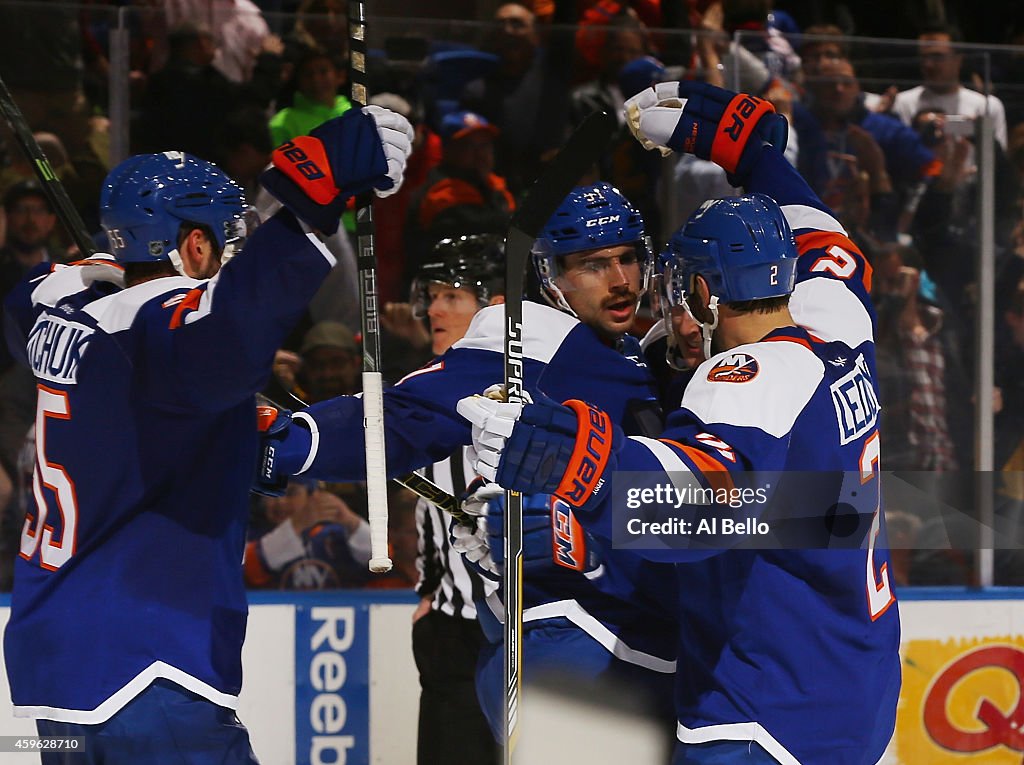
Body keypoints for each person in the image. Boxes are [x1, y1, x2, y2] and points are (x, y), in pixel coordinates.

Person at [459, 80, 901, 764]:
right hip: (856, 687)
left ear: (702, 290)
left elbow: (703, 510)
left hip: (765, 713)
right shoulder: (837, 325)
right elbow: (825, 238)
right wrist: (757, 156)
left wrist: (573, 470)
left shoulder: (746, 377)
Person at [3, 105, 412, 763]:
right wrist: (313, 197)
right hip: (146, 662)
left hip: (56, 678)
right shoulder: (154, 331)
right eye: (226, 241)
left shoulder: (60, 308)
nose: (230, 255)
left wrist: (98, 269)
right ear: (193, 246)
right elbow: (231, 331)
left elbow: (25, 301)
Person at [255, 182, 677, 749]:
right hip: (567, 638)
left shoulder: (643, 351)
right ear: (550, 275)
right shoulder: (533, 339)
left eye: (628, 257)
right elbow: (403, 417)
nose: (620, 278)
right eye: (593, 264)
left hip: (647, 646)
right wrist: (293, 442)